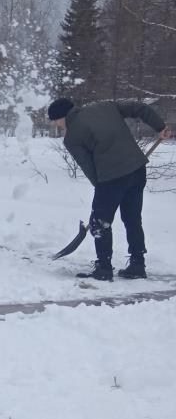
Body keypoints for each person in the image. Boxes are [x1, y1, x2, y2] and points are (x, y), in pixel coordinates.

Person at [49, 97, 171, 281]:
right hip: (137, 169)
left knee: (100, 223)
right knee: (132, 218)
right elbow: (138, 107)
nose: (57, 125)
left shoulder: (72, 137)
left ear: (62, 116)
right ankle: (138, 264)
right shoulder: (105, 105)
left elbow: (88, 166)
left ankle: (104, 268)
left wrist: (102, 192)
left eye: (56, 121)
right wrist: (160, 126)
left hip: (111, 178)